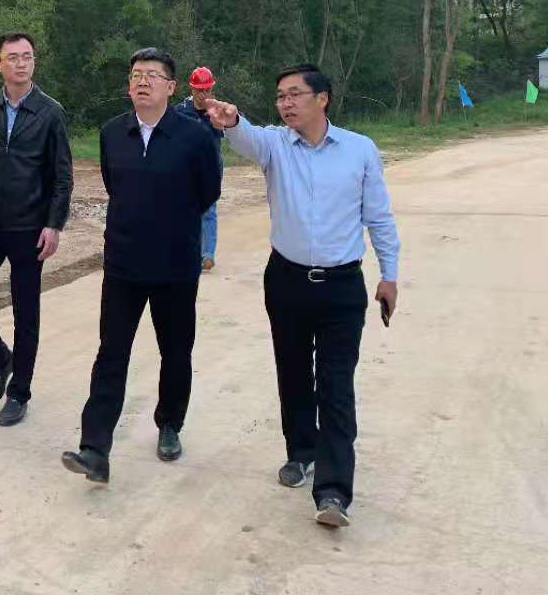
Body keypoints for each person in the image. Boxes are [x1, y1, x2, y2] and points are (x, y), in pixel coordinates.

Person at [205, 64, 399, 528]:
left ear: (322, 98)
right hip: (286, 280)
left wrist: (389, 275)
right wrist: (231, 120)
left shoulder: (359, 150)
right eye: (280, 96)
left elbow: (379, 217)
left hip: (342, 286)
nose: (286, 103)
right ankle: (301, 451)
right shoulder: (275, 145)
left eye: (294, 94)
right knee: (292, 374)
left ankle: (333, 491)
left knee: (335, 384)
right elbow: (245, 136)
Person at [61, 47, 222, 484]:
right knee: (111, 353)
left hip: (175, 264)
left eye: (152, 75)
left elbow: (208, 191)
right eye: (136, 75)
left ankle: (170, 424)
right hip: (123, 264)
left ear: (171, 86)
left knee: (176, 350)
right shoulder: (113, 133)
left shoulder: (195, 136)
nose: (143, 81)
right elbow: (115, 185)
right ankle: (95, 447)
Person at [0, 32, 73, 427]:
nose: (21, 63)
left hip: (29, 227)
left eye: (27, 56)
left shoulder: (50, 112)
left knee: (26, 313)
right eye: (13, 57)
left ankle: (19, 392)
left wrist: (53, 224)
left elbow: (62, 177)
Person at [171, 65, 224, 271]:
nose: (203, 94)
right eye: (199, 90)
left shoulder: (219, 111)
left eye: (207, 90)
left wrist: (219, 121)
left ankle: (207, 254)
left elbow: (234, 132)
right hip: (185, 168)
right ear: (192, 89)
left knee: (208, 210)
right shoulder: (180, 111)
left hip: (211, 167)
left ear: (212, 89)